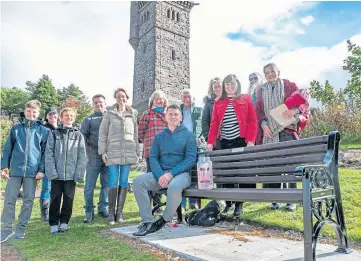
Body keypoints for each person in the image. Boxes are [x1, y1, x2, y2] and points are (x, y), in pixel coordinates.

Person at [132, 104, 197, 237]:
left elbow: (190, 159)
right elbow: (153, 157)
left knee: (173, 187)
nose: (173, 117)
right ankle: (147, 222)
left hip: (181, 174)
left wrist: (170, 174)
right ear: (166, 117)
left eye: (176, 114)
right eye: (170, 114)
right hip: (162, 174)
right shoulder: (159, 136)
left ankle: (163, 220)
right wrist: (160, 175)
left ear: (181, 117)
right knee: (138, 181)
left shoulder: (189, 135)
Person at [256, 63, 309, 211]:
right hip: (270, 132)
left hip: (287, 129)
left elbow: (303, 101)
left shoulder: (289, 85)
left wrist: (295, 110)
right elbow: (259, 111)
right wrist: (263, 125)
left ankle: (291, 199)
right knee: (273, 166)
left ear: (278, 71)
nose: (270, 74)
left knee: (290, 165)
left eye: (272, 71)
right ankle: (275, 199)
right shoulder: (261, 90)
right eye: (267, 72)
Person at [206, 74, 257, 218]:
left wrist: (251, 140)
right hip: (224, 142)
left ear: (237, 84)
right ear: (224, 86)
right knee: (227, 174)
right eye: (227, 84)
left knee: (242, 173)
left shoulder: (245, 98)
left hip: (241, 140)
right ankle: (229, 204)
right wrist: (210, 142)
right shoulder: (218, 102)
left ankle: (239, 205)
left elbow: (252, 120)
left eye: (232, 84)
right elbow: (214, 123)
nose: (230, 86)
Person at [1, 100, 49, 243]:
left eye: (34, 112)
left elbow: (46, 153)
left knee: (28, 200)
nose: (31, 114)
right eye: (28, 111)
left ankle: (21, 228)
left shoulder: (43, 131)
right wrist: (3, 167)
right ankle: (6, 230)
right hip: (15, 170)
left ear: (38, 113)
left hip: (33, 172)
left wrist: (41, 170)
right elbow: (7, 149)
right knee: (9, 199)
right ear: (25, 111)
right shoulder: (16, 128)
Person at [98, 88, 139, 225]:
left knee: (123, 181)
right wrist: (103, 151)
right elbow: (103, 133)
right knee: (113, 180)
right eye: (118, 96)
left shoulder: (132, 114)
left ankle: (119, 212)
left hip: (128, 151)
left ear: (127, 98)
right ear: (115, 98)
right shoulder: (109, 113)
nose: (121, 99)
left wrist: (136, 152)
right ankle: (111, 213)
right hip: (113, 151)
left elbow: (135, 134)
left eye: (123, 96)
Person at [45, 107, 86, 234]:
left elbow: (82, 156)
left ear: (74, 118)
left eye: (71, 115)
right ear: (61, 118)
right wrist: (52, 172)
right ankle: (53, 222)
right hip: (56, 174)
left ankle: (64, 222)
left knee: (69, 198)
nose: (69, 117)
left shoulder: (78, 135)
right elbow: (49, 153)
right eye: (66, 115)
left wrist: (78, 173)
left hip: (71, 174)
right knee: (55, 198)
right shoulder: (54, 133)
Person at [138, 90, 168, 213]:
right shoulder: (147, 114)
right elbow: (140, 132)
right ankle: (148, 205)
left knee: (162, 178)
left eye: (161, 99)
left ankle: (158, 205)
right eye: (157, 99)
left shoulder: (168, 115)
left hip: (166, 152)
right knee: (151, 178)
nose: (159, 100)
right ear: (152, 101)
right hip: (151, 152)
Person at [82, 94, 109, 223]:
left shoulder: (111, 117)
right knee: (89, 185)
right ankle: (89, 210)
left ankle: (103, 207)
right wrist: (87, 154)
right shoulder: (88, 119)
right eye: (96, 102)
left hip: (109, 156)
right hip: (93, 156)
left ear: (105, 103)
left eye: (100, 102)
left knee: (106, 184)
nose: (98, 104)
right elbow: (82, 137)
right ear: (93, 105)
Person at [179, 89, 204, 211]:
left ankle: (193, 202)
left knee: (194, 175)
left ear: (193, 98)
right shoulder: (178, 111)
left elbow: (204, 126)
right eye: (184, 97)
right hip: (182, 147)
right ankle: (182, 204)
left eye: (188, 96)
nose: (186, 99)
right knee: (182, 174)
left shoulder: (199, 110)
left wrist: (201, 139)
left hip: (196, 146)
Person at [39, 107, 59, 222]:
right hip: (47, 162)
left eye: (54, 114)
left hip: (59, 162)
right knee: (47, 187)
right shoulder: (42, 129)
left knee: (57, 188)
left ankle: (54, 211)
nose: (52, 116)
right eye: (50, 115)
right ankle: (45, 213)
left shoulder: (61, 128)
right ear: (46, 116)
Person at [201, 77, 222, 145]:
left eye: (219, 86)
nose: (218, 89)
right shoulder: (208, 104)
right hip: (215, 140)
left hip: (230, 138)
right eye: (215, 87)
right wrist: (208, 138)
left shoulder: (230, 100)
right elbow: (205, 122)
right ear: (212, 89)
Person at [248, 73, 264, 145]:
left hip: (264, 121)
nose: (253, 80)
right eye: (250, 79)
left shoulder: (265, 89)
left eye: (255, 78)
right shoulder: (248, 94)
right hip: (253, 123)